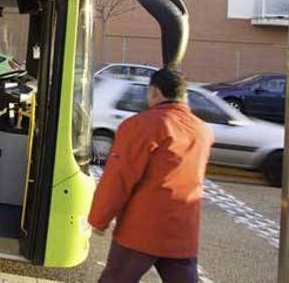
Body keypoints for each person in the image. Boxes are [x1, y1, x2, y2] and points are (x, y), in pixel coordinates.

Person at [90, 68, 213, 283]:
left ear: (154, 92)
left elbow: (119, 178)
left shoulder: (140, 125)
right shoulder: (202, 130)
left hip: (140, 230)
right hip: (183, 231)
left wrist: (99, 219)